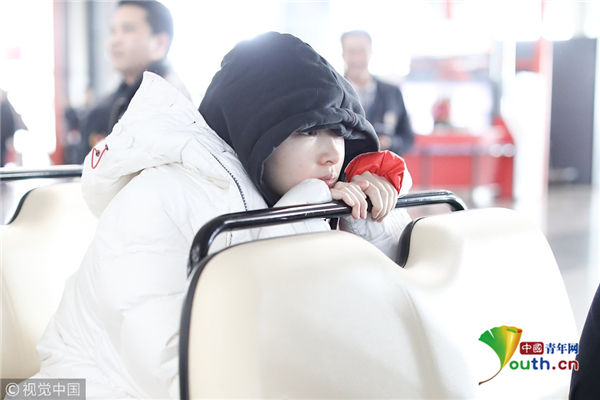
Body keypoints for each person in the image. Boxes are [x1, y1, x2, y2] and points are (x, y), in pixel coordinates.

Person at [27, 32, 412, 399]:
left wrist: (364, 221)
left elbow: (384, 328)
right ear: (252, 130)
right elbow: (185, 376)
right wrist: (298, 222)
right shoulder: (156, 198)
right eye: (308, 131)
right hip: (79, 387)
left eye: (339, 132)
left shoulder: (288, 194)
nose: (331, 154)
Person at [77, 0, 190, 163]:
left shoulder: (174, 104)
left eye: (127, 29)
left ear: (159, 43)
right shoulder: (101, 111)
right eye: (112, 31)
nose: (115, 41)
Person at [341, 29, 414, 155]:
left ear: (371, 52)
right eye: (351, 51)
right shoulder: (333, 93)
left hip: (383, 165)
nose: (357, 58)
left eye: (362, 51)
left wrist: (390, 143)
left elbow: (407, 138)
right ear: (343, 54)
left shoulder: (393, 93)